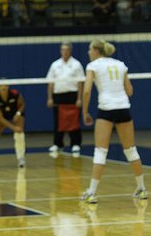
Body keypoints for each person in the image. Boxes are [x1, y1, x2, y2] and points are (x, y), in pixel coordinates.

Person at [81, 40, 147, 204]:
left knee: (101, 151)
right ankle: (141, 189)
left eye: (90, 49)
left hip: (106, 109)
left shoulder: (93, 66)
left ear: (96, 50)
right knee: (131, 150)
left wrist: (84, 112)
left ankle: (91, 193)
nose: (88, 53)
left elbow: (87, 90)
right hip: (123, 108)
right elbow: (130, 91)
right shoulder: (121, 64)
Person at [46, 42, 85, 158]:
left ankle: (76, 144)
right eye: (63, 50)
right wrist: (49, 98)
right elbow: (50, 83)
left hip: (72, 96)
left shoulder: (76, 64)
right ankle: (58, 144)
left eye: (67, 50)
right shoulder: (55, 65)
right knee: (58, 121)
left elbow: (80, 83)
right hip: (58, 96)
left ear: (70, 51)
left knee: (74, 121)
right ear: (60, 51)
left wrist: (79, 98)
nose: (65, 52)